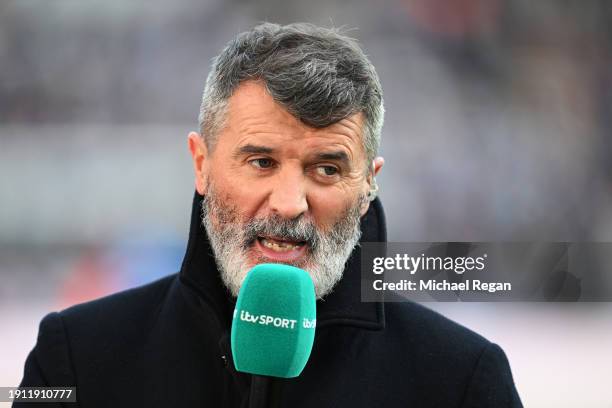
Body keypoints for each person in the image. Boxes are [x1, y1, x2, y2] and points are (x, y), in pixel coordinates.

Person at [17, 22, 522, 407]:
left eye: (326, 168)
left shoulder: (461, 381)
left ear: (370, 183)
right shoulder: (75, 359)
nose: (288, 202)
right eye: (261, 161)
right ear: (202, 163)